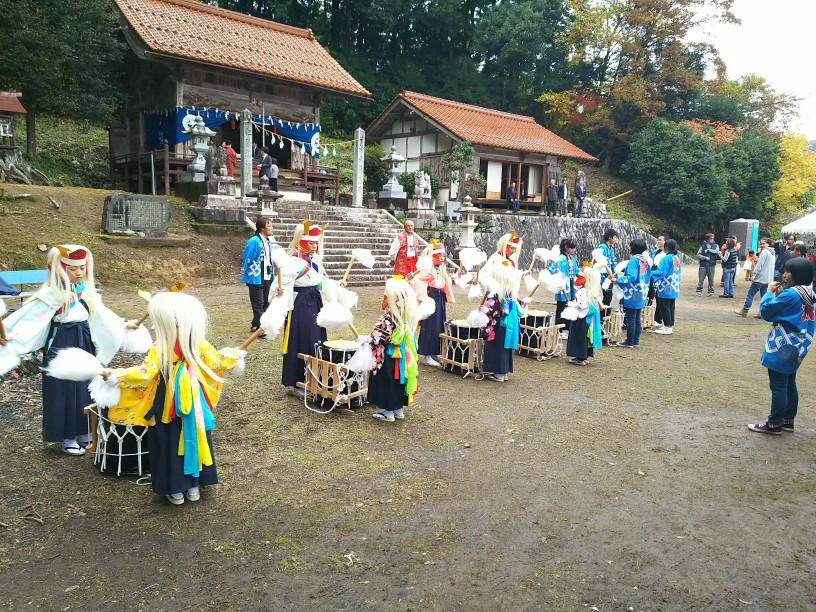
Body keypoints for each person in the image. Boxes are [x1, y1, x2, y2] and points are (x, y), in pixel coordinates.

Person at [101, 292, 244, 504]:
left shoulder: (161, 346)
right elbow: (216, 362)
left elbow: (145, 373)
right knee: (195, 434)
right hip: (193, 402)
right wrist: (234, 355)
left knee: (168, 440)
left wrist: (118, 375)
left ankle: (175, 489)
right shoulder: (197, 342)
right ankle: (194, 485)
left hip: (166, 403)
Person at [0, 245, 130, 455]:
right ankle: (68, 437)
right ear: (58, 269)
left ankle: (86, 433)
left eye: (82, 268)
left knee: (86, 387)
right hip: (61, 343)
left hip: (84, 340)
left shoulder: (87, 294)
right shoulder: (50, 296)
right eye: (73, 268)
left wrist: (125, 326)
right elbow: (29, 320)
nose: (79, 272)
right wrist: (9, 335)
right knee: (64, 391)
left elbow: (104, 317)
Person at [747, 257, 815, 435]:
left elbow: (766, 312)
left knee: (778, 385)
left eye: (787, 271)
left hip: (783, 345)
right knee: (789, 382)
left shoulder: (791, 294)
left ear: (795, 275)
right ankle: (787, 420)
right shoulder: (810, 293)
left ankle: (774, 423)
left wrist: (769, 293)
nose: (784, 275)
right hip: (799, 344)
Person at [280, 221, 335, 397]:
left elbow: (321, 282)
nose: (315, 246)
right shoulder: (293, 261)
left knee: (317, 339)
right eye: (311, 242)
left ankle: (315, 378)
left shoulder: (316, 260)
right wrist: (279, 291)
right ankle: (298, 381)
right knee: (303, 339)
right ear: (302, 242)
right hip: (301, 304)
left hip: (315, 301)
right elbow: (281, 283)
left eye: (316, 242)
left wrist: (336, 289)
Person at [366, 278, 420, 422]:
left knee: (387, 380)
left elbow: (378, 337)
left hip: (388, 356)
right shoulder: (407, 315)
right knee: (399, 380)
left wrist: (368, 339)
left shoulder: (389, 317)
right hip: (403, 355)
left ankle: (388, 412)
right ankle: (398, 410)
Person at [479, 259, 526, 382]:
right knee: (505, 349)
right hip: (509, 325)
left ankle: (498, 373)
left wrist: (483, 309)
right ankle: (504, 373)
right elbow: (519, 309)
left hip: (499, 326)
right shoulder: (510, 295)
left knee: (496, 348)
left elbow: (492, 310)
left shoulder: (496, 296)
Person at [410, 240, 454, 367]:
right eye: (439, 255)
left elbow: (444, 282)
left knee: (439, 325)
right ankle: (428, 354)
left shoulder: (441, 267)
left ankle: (435, 352)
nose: (442, 257)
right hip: (431, 296)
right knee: (430, 326)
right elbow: (419, 281)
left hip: (440, 297)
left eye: (443, 255)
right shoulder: (426, 267)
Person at [242, 217, 282, 335]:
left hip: (267, 276)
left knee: (266, 302)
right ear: (262, 228)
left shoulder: (268, 241)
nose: (271, 228)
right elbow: (247, 257)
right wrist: (247, 270)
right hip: (255, 276)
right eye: (269, 225)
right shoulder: (254, 241)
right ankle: (261, 328)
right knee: (258, 303)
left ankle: (256, 324)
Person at [614, 239, 650, 348]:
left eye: (630, 247)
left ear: (633, 248)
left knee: (631, 318)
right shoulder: (645, 260)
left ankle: (629, 341)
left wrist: (618, 280)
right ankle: (635, 340)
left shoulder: (634, 260)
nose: (629, 248)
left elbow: (631, 276)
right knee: (637, 317)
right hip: (642, 291)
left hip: (633, 292)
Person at [565, 267, 604, 365]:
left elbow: (582, 306)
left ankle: (580, 357)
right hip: (587, 319)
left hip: (581, 319)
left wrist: (572, 304)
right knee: (585, 338)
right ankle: (584, 356)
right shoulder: (592, 293)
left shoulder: (584, 292)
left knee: (580, 337)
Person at [736, 238, 775, 318]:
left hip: (760, 278)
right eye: (761, 243)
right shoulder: (773, 253)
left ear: (768, 244)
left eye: (764, 243)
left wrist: (754, 274)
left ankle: (745, 310)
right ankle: (762, 312)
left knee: (750, 294)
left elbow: (759, 265)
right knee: (764, 296)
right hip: (768, 279)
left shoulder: (765, 252)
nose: (762, 245)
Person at [651, 239, 681, 335]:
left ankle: (667, 326)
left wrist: (649, 274)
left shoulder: (666, 258)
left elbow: (661, 272)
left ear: (666, 247)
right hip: (674, 285)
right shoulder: (676, 258)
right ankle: (669, 325)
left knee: (665, 306)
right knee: (671, 306)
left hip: (666, 286)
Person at [550, 238, 579, 336]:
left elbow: (576, 271)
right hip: (562, 287)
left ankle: (566, 328)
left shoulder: (572, 259)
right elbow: (552, 269)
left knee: (570, 307)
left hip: (571, 287)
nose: (573, 250)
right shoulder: (560, 258)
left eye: (574, 248)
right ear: (566, 247)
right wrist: (556, 272)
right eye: (572, 248)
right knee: (561, 308)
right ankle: (559, 330)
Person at [597, 229, 619, 319]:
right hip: (605, 277)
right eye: (615, 237)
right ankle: (602, 316)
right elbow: (602, 263)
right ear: (610, 237)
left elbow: (613, 263)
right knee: (607, 296)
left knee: (608, 296)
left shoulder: (610, 248)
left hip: (611, 276)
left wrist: (615, 276)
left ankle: (605, 315)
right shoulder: (602, 247)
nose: (616, 240)